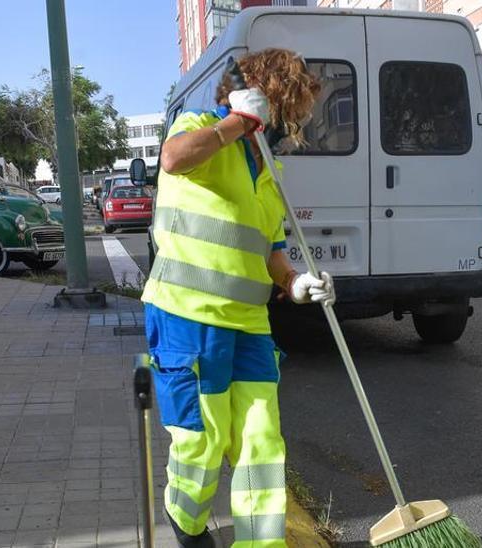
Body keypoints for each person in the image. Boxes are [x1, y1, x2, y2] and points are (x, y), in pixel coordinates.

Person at [142, 48, 330, 548]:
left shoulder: (269, 169)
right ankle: (186, 524)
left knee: (261, 447)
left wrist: (295, 283)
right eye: (288, 106)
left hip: (249, 325)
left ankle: (260, 544)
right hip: (187, 316)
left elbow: (269, 248)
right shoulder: (201, 125)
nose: (288, 122)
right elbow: (173, 158)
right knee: (202, 443)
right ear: (265, 95)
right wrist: (234, 125)